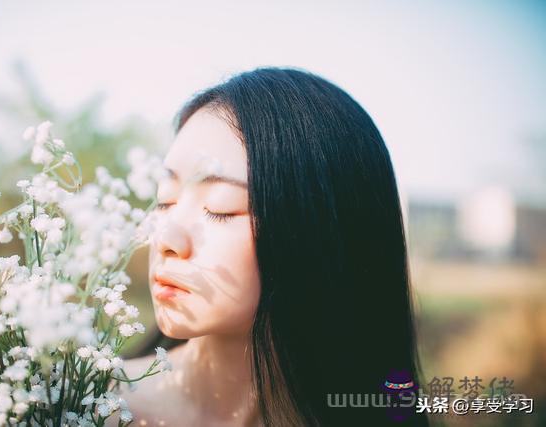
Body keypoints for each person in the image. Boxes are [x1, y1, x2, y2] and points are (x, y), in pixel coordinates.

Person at [107, 67, 430, 427]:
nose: (166, 238)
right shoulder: (86, 404)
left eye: (220, 207)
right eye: (165, 200)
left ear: (317, 231)